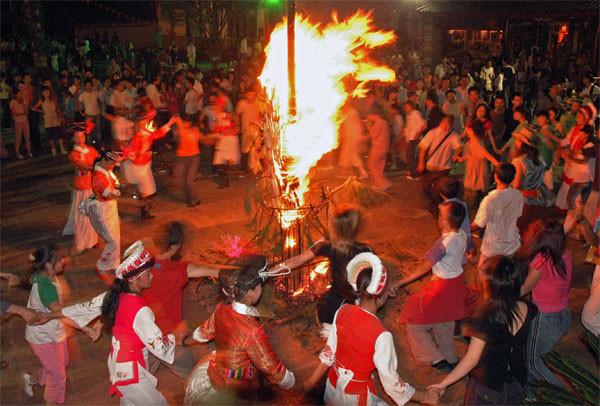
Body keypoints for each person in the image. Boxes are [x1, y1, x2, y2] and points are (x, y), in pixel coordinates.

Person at [46, 241, 177, 405]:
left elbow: (84, 308)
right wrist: (174, 336)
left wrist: (49, 315)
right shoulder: (140, 310)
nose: (152, 275)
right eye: (149, 272)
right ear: (135, 280)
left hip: (120, 366)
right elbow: (159, 347)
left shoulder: (115, 295)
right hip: (131, 373)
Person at [303, 253, 439, 406]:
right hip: (355, 397)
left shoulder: (343, 311)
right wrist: (426, 397)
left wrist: (310, 381)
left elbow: (330, 351)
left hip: (333, 386)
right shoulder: (381, 335)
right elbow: (392, 384)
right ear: (381, 298)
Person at [183, 255, 295, 404]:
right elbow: (269, 365)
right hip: (236, 382)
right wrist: (290, 381)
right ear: (250, 292)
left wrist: (186, 340)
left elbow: (205, 330)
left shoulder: (222, 307)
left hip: (219, 367)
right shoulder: (251, 330)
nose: (261, 289)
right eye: (260, 286)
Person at [428, 256, 538, 405]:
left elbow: (471, 360)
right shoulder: (529, 308)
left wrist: (443, 384)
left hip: (489, 388)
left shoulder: (485, 317)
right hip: (517, 384)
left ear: (490, 285)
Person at [396, 201, 476, 371]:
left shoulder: (442, 244)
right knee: (444, 324)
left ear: (446, 221)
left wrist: (400, 283)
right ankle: (451, 359)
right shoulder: (462, 235)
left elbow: (424, 267)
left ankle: (435, 359)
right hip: (456, 285)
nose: (437, 218)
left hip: (441, 288)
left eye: (440, 215)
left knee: (414, 323)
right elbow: (470, 252)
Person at [141, 222, 221, 381]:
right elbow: (212, 270)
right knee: (195, 377)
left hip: (144, 337)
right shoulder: (177, 271)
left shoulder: (142, 262)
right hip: (167, 340)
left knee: (141, 379)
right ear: (174, 247)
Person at [271, 204, 371, 331]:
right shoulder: (366, 251)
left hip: (331, 311)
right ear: (355, 228)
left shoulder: (326, 246)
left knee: (325, 308)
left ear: (334, 228)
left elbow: (296, 260)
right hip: (358, 308)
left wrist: (269, 271)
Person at [23, 245, 94, 403]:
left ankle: (31, 378)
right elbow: (61, 313)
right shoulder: (47, 287)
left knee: (62, 363)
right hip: (41, 337)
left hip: (52, 331)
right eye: (59, 260)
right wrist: (84, 327)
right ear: (48, 265)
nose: (63, 261)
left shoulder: (42, 275)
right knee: (58, 375)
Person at [519, 218, 572, 399]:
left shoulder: (542, 260)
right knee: (535, 357)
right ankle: (530, 395)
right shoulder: (565, 253)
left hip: (545, 319)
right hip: (563, 315)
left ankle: (565, 397)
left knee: (533, 362)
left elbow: (526, 288)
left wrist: (501, 296)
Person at [79, 149, 124, 282]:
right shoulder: (99, 177)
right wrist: (118, 193)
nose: (113, 166)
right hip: (101, 210)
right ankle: (102, 265)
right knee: (112, 240)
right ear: (103, 160)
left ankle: (115, 264)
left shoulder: (105, 170)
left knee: (116, 237)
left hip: (111, 207)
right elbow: (108, 193)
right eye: (111, 163)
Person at [121, 111, 176, 219]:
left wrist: (170, 123)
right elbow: (132, 154)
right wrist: (140, 153)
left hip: (144, 166)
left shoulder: (145, 132)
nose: (146, 122)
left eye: (146, 120)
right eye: (143, 120)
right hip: (139, 168)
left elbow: (157, 134)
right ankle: (144, 211)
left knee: (146, 192)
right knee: (149, 193)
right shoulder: (137, 137)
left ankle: (144, 212)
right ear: (139, 122)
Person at [472, 163, 523, 268]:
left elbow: (478, 224)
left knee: (483, 272)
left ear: (496, 177)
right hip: (511, 244)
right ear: (513, 177)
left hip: (493, 247)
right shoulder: (518, 195)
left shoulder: (490, 199)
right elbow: (518, 215)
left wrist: (460, 228)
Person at [62, 122, 99, 254]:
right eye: (77, 137)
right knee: (82, 215)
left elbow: (98, 162)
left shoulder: (92, 150)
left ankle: (93, 240)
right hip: (82, 186)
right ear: (73, 139)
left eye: (82, 136)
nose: (80, 139)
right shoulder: (73, 154)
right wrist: (99, 166)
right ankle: (80, 241)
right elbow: (82, 166)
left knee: (94, 213)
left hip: (93, 185)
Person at [511, 126, 548, 232]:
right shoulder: (539, 161)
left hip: (523, 203)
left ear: (522, 144)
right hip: (538, 202)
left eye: (518, 139)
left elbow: (517, 185)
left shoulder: (519, 162)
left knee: (520, 231)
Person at [457, 120, 500, 208]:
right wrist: (463, 158)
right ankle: (472, 204)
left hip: (476, 169)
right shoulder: (475, 140)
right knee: (474, 187)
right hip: (475, 167)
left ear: (472, 131)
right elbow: (472, 155)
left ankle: (470, 206)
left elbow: (487, 156)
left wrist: (499, 165)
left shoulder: (476, 143)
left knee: (472, 188)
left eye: (467, 129)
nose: (466, 131)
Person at [172, 117, 213, 207]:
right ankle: (189, 196)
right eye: (183, 122)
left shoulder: (195, 130)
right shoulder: (177, 131)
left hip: (193, 158)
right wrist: (179, 124)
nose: (184, 124)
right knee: (179, 180)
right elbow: (182, 136)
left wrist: (212, 141)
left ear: (190, 122)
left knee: (189, 181)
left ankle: (195, 199)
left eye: (185, 122)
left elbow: (204, 139)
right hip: (181, 158)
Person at [417, 115, 461, 199]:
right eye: (444, 123)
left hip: (444, 167)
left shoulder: (453, 135)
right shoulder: (432, 133)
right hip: (431, 165)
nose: (446, 126)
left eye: (449, 124)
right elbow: (423, 149)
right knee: (425, 186)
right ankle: (433, 196)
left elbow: (459, 147)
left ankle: (436, 203)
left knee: (440, 188)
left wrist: (456, 154)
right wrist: (421, 162)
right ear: (440, 123)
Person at [208, 95, 240, 189]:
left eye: (217, 105)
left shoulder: (229, 116)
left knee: (222, 162)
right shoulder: (217, 118)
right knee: (219, 163)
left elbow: (236, 128)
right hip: (221, 141)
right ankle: (225, 181)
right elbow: (215, 129)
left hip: (228, 141)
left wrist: (229, 130)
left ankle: (225, 181)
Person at [31, 86, 66, 155]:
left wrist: (62, 117)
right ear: (42, 93)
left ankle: (62, 148)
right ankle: (53, 149)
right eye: (45, 92)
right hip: (48, 119)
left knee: (60, 134)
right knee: (51, 135)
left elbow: (58, 109)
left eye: (48, 91)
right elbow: (34, 108)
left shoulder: (53, 99)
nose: (47, 93)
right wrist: (42, 111)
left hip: (55, 118)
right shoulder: (41, 101)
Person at [235, 86, 261, 174]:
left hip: (256, 129)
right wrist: (237, 125)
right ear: (246, 95)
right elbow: (237, 114)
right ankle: (245, 168)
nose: (251, 97)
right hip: (246, 129)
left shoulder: (258, 103)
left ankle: (256, 167)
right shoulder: (241, 103)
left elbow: (261, 114)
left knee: (257, 149)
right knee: (245, 150)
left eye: (253, 95)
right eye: (249, 95)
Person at [365, 103, 391, 191]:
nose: (368, 117)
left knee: (371, 165)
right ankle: (378, 184)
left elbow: (375, 135)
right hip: (385, 147)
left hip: (378, 146)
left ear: (375, 115)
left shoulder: (379, 122)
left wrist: (369, 127)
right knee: (379, 166)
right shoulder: (384, 121)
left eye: (369, 115)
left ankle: (383, 183)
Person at [338, 103, 368, 179]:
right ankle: (363, 173)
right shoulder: (342, 113)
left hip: (354, 136)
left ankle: (347, 174)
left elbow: (359, 122)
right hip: (351, 137)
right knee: (354, 156)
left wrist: (362, 133)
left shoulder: (352, 111)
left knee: (345, 154)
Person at [535, 111, 562, 191]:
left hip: (547, 160)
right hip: (539, 159)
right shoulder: (539, 131)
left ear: (547, 120)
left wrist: (547, 137)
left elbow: (553, 146)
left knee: (547, 183)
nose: (539, 120)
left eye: (542, 119)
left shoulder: (551, 130)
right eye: (538, 119)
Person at [403, 101, 427, 179]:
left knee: (410, 155)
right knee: (411, 156)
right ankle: (414, 171)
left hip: (415, 138)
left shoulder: (415, 113)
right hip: (411, 138)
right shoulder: (409, 115)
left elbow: (424, 125)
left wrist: (418, 133)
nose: (406, 109)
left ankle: (415, 174)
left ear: (411, 106)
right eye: (405, 107)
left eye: (407, 106)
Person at [10, 88, 32, 159]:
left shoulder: (23, 101)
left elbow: (27, 112)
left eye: (21, 93)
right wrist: (22, 113)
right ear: (15, 95)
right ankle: (17, 151)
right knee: (18, 137)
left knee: (27, 136)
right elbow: (13, 113)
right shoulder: (12, 102)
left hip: (25, 121)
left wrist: (22, 103)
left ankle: (28, 150)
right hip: (18, 122)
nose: (20, 95)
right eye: (19, 94)